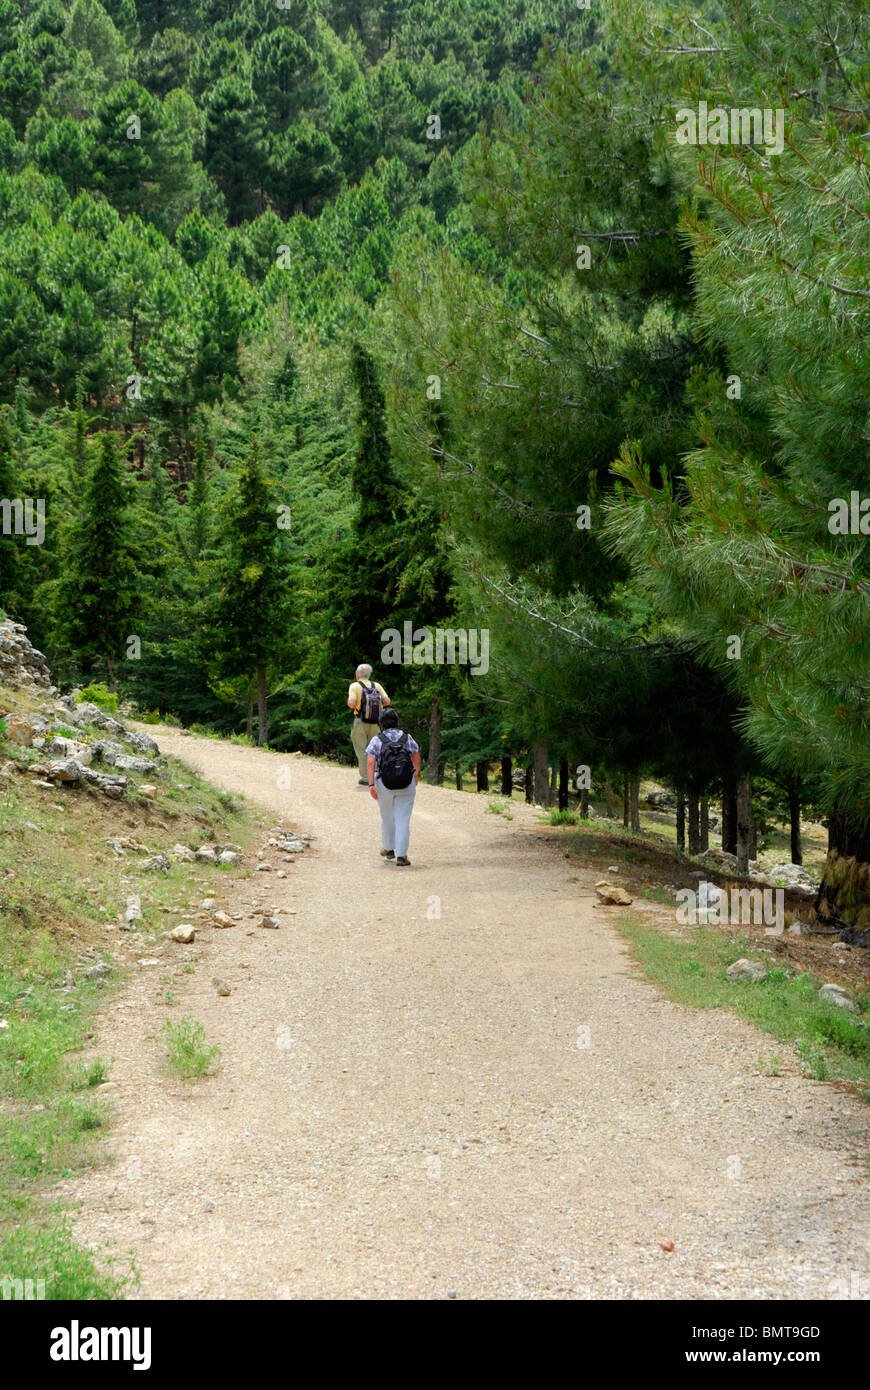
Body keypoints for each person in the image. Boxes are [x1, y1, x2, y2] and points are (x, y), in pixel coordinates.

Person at [366, 708, 420, 866]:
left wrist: (370, 784)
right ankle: (402, 856)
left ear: (381, 723)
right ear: (397, 722)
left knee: (387, 816)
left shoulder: (378, 739)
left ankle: (389, 849)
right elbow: (416, 756)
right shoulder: (406, 737)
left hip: (384, 784)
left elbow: (370, 762)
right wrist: (415, 776)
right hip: (406, 783)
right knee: (403, 819)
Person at [347, 663, 390, 785]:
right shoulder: (376, 685)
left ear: (357, 674)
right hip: (376, 722)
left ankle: (366, 778)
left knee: (362, 750)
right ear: (369, 674)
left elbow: (352, 703)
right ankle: (377, 775)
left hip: (360, 721)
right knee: (375, 749)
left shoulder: (354, 686)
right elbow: (387, 701)